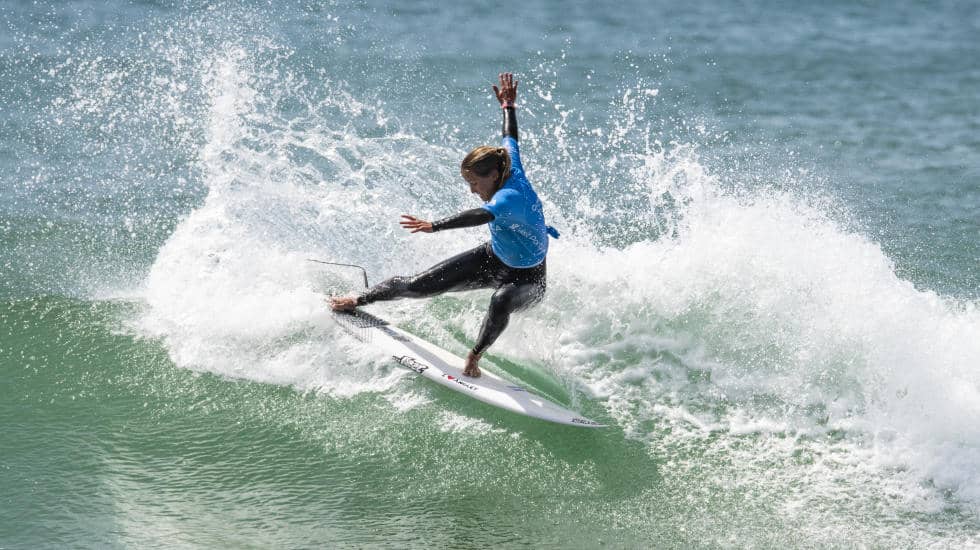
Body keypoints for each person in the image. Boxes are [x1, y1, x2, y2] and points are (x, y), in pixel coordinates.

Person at [330, 72, 558, 378]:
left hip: (529, 278)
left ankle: (475, 356)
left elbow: (478, 216)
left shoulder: (507, 198)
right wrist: (508, 106)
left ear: (492, 175)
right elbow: (511, 136)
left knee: (501, 300)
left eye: (475, 183)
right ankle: (358, 299)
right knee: (416, 286)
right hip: (494, 258)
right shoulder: (508, 161)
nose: (472, 189)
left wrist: (434, 226)